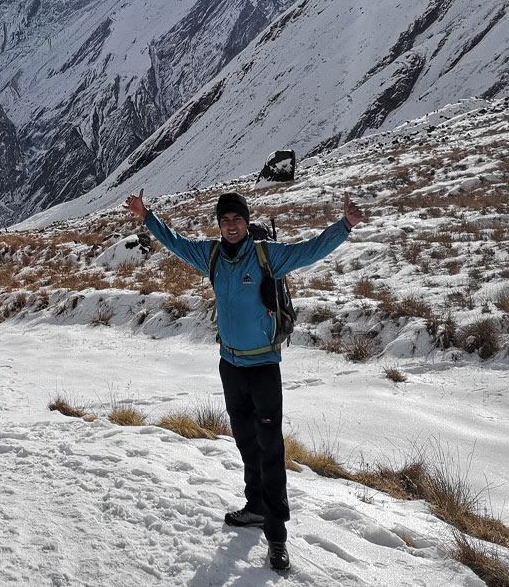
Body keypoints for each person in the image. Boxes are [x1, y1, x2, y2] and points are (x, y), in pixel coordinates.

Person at [124, 188, 365, 573]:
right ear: (219, 225)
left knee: (270, 450)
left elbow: (308, 251)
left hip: (263, 367)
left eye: (237, 219)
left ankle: (277, 537)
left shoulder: (268, 255)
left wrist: (344, 227)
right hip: (230, 366)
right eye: (225, 220)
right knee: (246, 443)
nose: (231, 225)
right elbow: (176, 243)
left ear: (246, 221)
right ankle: (255, 507)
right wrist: (146, 216)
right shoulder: (213, 255)